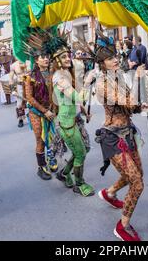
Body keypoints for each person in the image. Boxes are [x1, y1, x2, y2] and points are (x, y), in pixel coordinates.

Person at [93, 36, 148, 241]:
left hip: (128, 134)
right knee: (138, 183)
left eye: (115, 56)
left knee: (137, 175)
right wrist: (138, 80)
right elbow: (129, 101)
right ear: (102, 63)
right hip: (113, 139)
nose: (115, 60)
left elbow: (133, 106)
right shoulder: (102, 85)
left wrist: (144, 104)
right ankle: (122, 226)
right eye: (110, 58)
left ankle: (109, 193)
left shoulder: (118, 78)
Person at [50, 32, 94, 197]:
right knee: (81, 153)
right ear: (56, 60)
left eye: (68, 55)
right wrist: (88, 82)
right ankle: (79, 184)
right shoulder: (59, 79)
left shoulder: (67, 74)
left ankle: (64, 173)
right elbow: (78, 96)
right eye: (63, 57)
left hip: (75, 119)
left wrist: (83, 111)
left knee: (82, 150)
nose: (68, 58)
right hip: (67, 123)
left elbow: (76, 101)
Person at [24, 49, 57, 180]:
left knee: (51, 136)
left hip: (50, 109)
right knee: (40, 139)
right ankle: (41, 166)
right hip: (36, 112)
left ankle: (51, 158)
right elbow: (30, 98)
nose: (45, 59)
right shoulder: (30, 76)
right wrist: (44, 111)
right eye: (42, 57)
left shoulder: (53, 73)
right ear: (36, 60)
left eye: (47, 56)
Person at [10, 60, 27, 128]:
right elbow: (10, 78)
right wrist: (12, 89)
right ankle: (20, 120)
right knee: (19, 103)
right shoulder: (14, 65)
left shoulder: (29, 62)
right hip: (20, 85)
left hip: (30, 84)